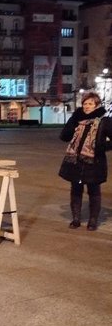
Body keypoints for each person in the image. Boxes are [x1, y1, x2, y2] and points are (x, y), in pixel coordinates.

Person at [58, 91, 112, 231]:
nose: (87, 106)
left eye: (90, 104)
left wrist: (101, 147)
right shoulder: (77, 119)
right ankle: (76, 219)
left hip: (94, 162)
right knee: (76, 189)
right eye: (85, 104)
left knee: (94, 191)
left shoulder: (104, 122)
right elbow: (64, 136)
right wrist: (73, 122)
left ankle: (92, 221)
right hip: (75, 162)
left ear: (97, 105)